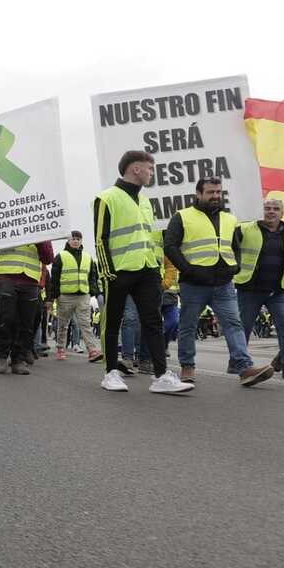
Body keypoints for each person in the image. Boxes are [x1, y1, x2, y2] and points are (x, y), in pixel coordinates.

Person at [94, 150, 192, 393]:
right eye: (150, 168)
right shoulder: (106, 198)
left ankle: (161, 376)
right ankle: (110, 373)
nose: (152, 173)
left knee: (153, 322)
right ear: (136, 168)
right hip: (119, 270)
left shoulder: (146, 201)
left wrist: (158, 268)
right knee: (113, 322)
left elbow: (147, 236)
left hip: (148, 269)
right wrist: (107, 271)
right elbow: (100, 239)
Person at [164, 176, 274, 388]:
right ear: (198, 194)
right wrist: (188, 269)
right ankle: (187, 366)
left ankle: (245, 368)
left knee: (234, 324)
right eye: (210, 192)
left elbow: (235, 246)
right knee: (188, 325)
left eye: (218, 192)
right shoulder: (182, 217)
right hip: (194, 283)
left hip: (223, 283)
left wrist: (236, 265)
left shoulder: (229, 218)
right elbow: (170, 246)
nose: (215, 196)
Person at [233, 198, 284, 381]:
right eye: (267, 208)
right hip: (250, 288)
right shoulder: (244, 229)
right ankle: (238, 364)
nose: (271, 212)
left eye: (276, 209)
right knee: (243, 327)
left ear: (282, 213)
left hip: (279, 290)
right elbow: (231, 249)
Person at [0, 238, 54, 376]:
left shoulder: (43, 230)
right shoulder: (6, 222)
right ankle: (3, 355)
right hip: (6, 276)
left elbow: (48, 258)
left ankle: (18, 360)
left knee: (26, 323)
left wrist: (40, 240)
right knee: (7, 317)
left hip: (30, 281)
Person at [47, 230, 102, 362]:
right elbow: (54, 279)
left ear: (81, 241)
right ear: (68, 241)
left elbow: (92, 277)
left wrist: (93, 291)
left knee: (85, 325)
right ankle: (60, 348)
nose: (76, 241)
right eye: (73, 238)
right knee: (63, 325)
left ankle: (92, 351)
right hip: (65, 296)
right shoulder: (60, 256)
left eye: (78, 239)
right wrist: (52, 297)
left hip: (83, 296)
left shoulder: (88, 257)